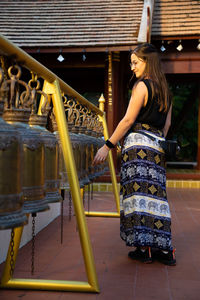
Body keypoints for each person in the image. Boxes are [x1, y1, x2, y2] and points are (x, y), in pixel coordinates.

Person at [93, 43, 176, 266]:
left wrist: (108, 145)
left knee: (138, 196)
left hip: (138, 149)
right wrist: (157, 144)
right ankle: (164, 250)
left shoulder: (142, 87)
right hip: (157, 149)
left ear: (147, 62)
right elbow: (166, 126)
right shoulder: (166, 91)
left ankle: (144, 248)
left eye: (135, 62)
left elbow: (129, 120)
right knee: (157, 197)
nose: (132, 67)